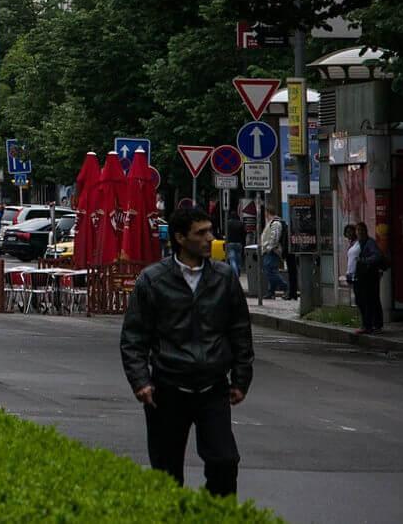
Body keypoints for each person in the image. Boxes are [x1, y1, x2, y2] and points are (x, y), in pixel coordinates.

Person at [120, 205, 252, 497]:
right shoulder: (153, 280)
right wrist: (141, 381)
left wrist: (241, 379)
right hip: (167, 389)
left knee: (224, 461)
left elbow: (239, 330)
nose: (210, 238)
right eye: (201, 233)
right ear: (180, 238)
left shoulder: (223, 277)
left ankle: (215, 516)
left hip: (212, 388)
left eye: (210, 231)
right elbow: (134, 337)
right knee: (166, 474)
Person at [355, 222, 386, 333]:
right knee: (362, 300)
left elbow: (377, 255)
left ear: (365, 231)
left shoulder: (369, 242)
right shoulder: (357, 243)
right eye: (358, 230)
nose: (359, 232)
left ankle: (375, 325)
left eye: (361, 230)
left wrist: (364, 261)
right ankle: (368, 324)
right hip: (361, 276)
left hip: (371, 276)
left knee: (372, 300)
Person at [257, 209, 288, 299]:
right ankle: (271, 291)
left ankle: (285, 287)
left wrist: (268, 248)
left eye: (265, 212)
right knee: (271, 270)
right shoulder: (271, 222)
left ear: (267, 212)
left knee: (270, 270)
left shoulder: (275, 223)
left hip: (272, 251)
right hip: (269, 250)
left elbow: (274, 237)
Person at [223, 202, 246, 281]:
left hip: (230, 243)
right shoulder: (240, 224)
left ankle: (235, 275)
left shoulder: (228, 223)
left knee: (232, 260)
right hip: (239, 243)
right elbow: (244, 234)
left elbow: (224, 232)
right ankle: (238, 272)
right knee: (239, 260)